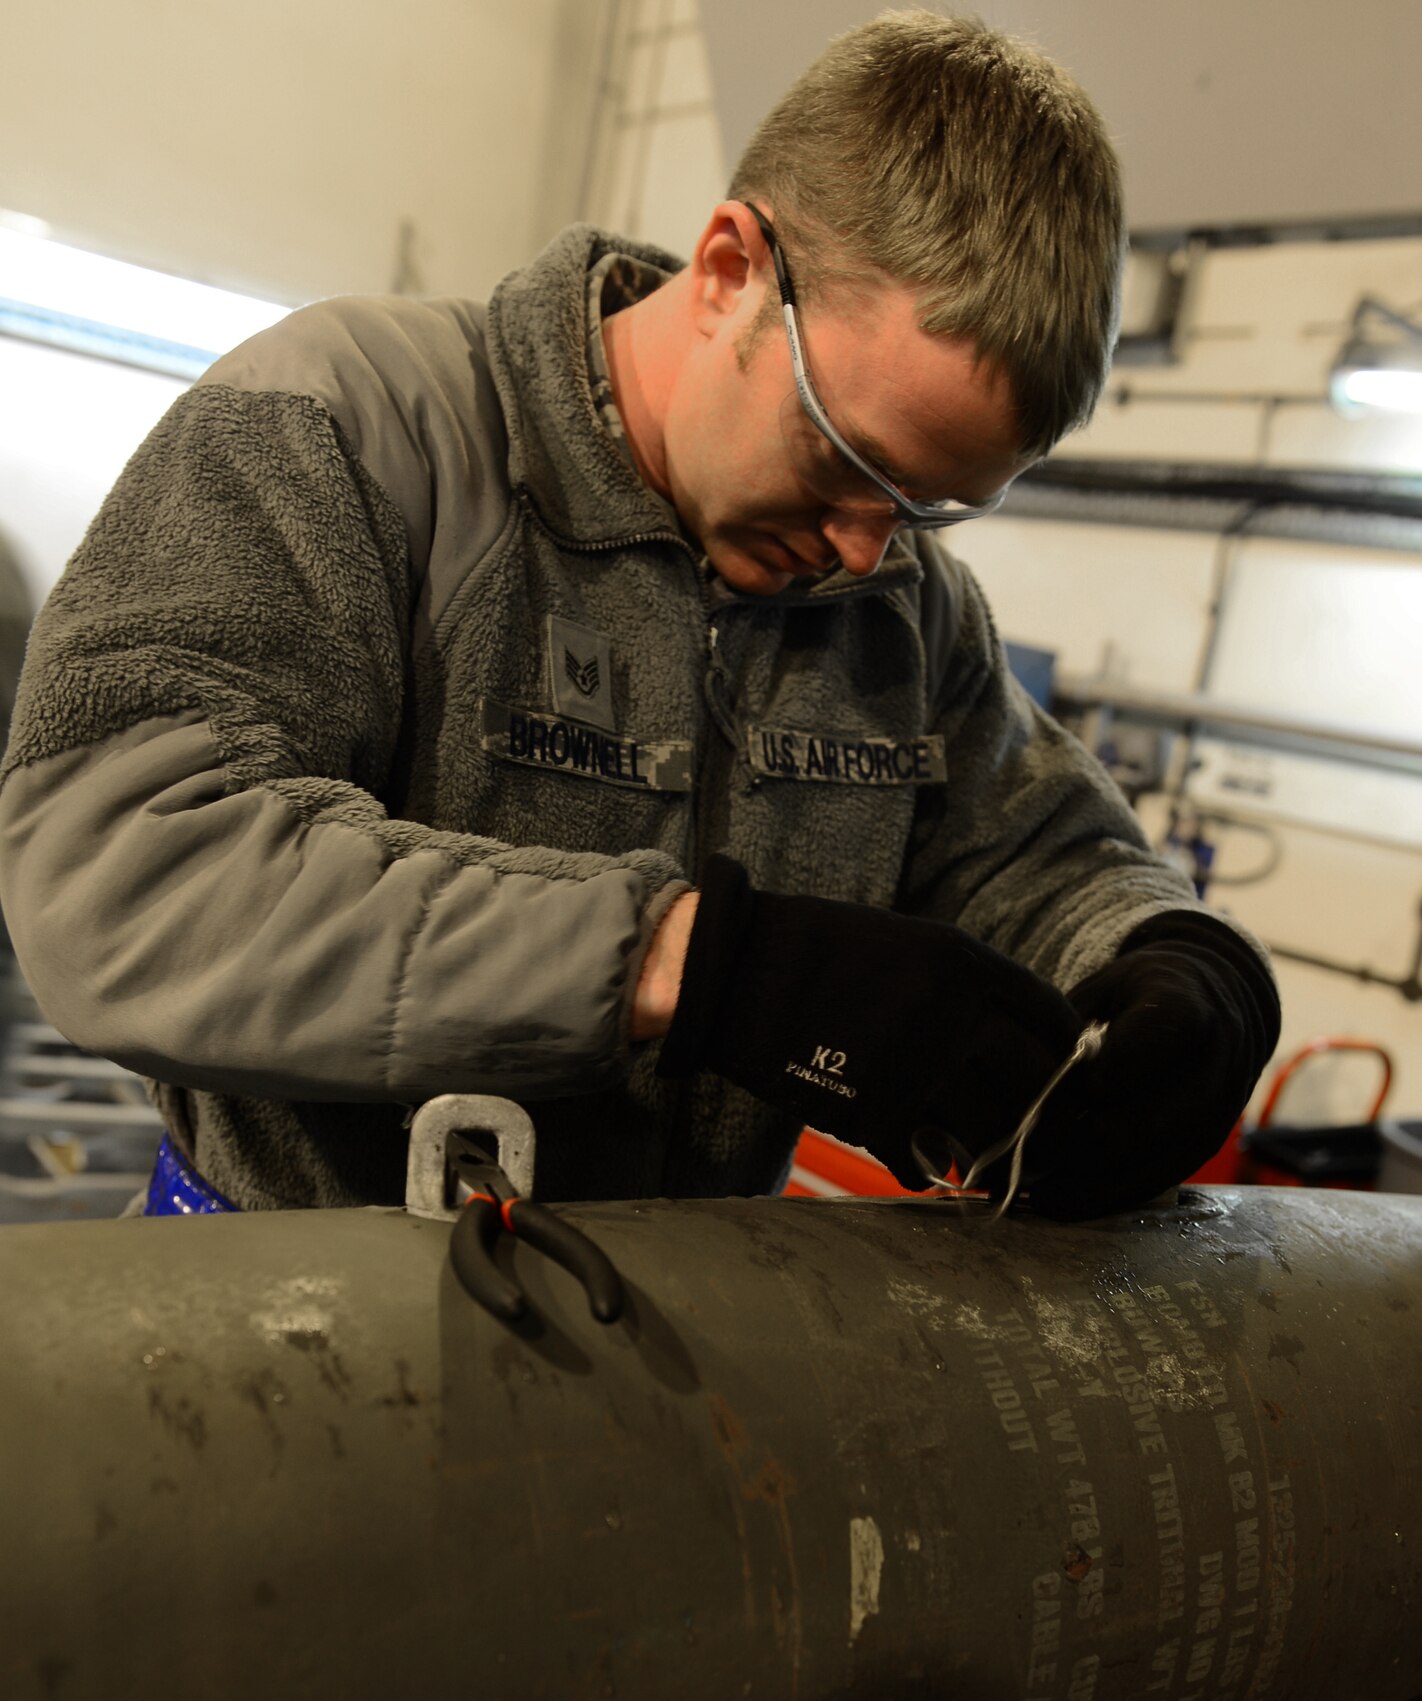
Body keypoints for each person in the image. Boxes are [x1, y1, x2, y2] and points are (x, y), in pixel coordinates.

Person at [0, 11, 1277, 1221]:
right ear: (731, 270)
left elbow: (1035, 857)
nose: (863, 550)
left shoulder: (899, 605)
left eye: (932, 509)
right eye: (848, 462)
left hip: (666, 1385)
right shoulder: (349, 431)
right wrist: (691, 965)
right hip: (289, 1351)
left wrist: (1173, 961)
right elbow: (124, 869)